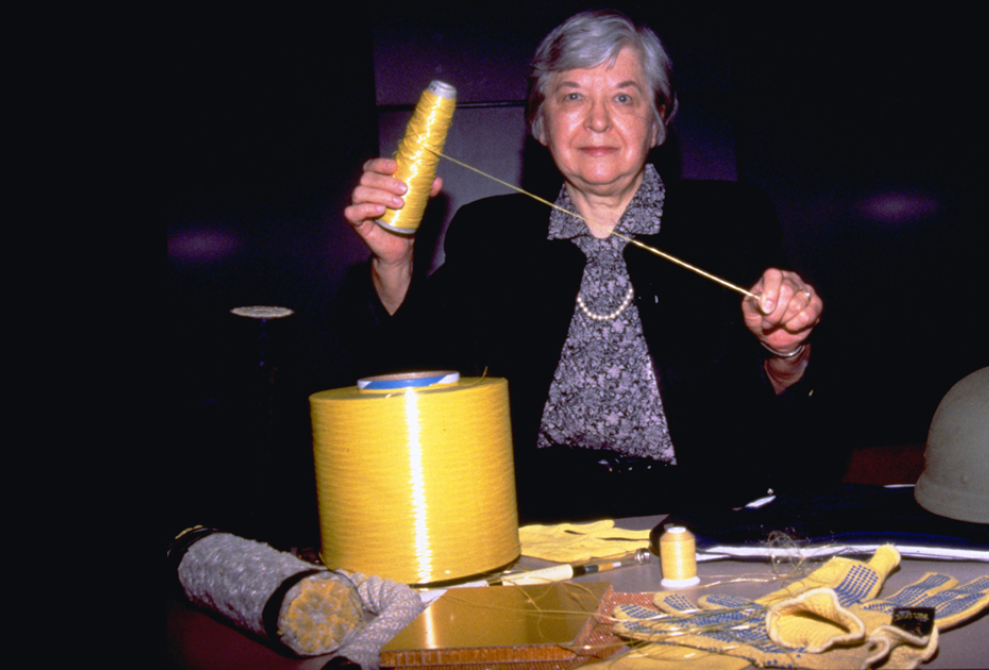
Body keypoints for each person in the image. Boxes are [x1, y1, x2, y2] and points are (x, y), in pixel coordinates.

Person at [338, 9, 825, 521]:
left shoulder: (733, 220)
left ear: (657, 122)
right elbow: (414, 390)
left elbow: (794, 415)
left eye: (623, 97)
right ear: (540, 122)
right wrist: (393, 265)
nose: (597, 121)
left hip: (705, 518)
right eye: (572, 96)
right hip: (539, 526)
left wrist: (787, 351)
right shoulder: (490, 233)